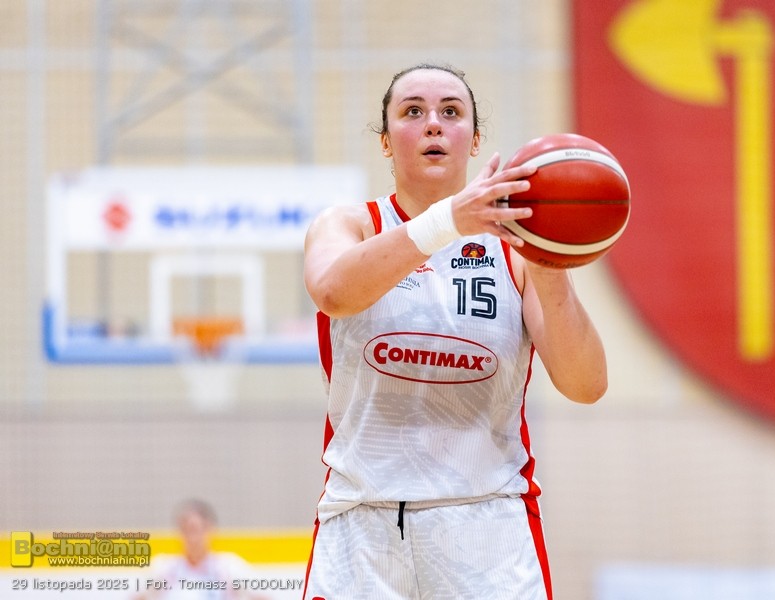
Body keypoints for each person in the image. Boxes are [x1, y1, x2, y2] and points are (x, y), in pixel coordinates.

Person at [302, 63, 607, 600]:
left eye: (450, 111)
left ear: (475, 140)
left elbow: (586, 384)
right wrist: (449, 221)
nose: (433, 124)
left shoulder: (516, 250)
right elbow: (332, 292)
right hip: (361, 525)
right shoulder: (349, 225)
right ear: (385, 142)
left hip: (487, 528)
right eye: (412, 111)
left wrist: (549, 262)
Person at [132, 499, 270, 600]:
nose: (193, 537)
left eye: (196, 529)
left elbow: (263, 596)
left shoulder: (229, 566)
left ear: (210, 529)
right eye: (187, 529)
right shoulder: (164, 568)